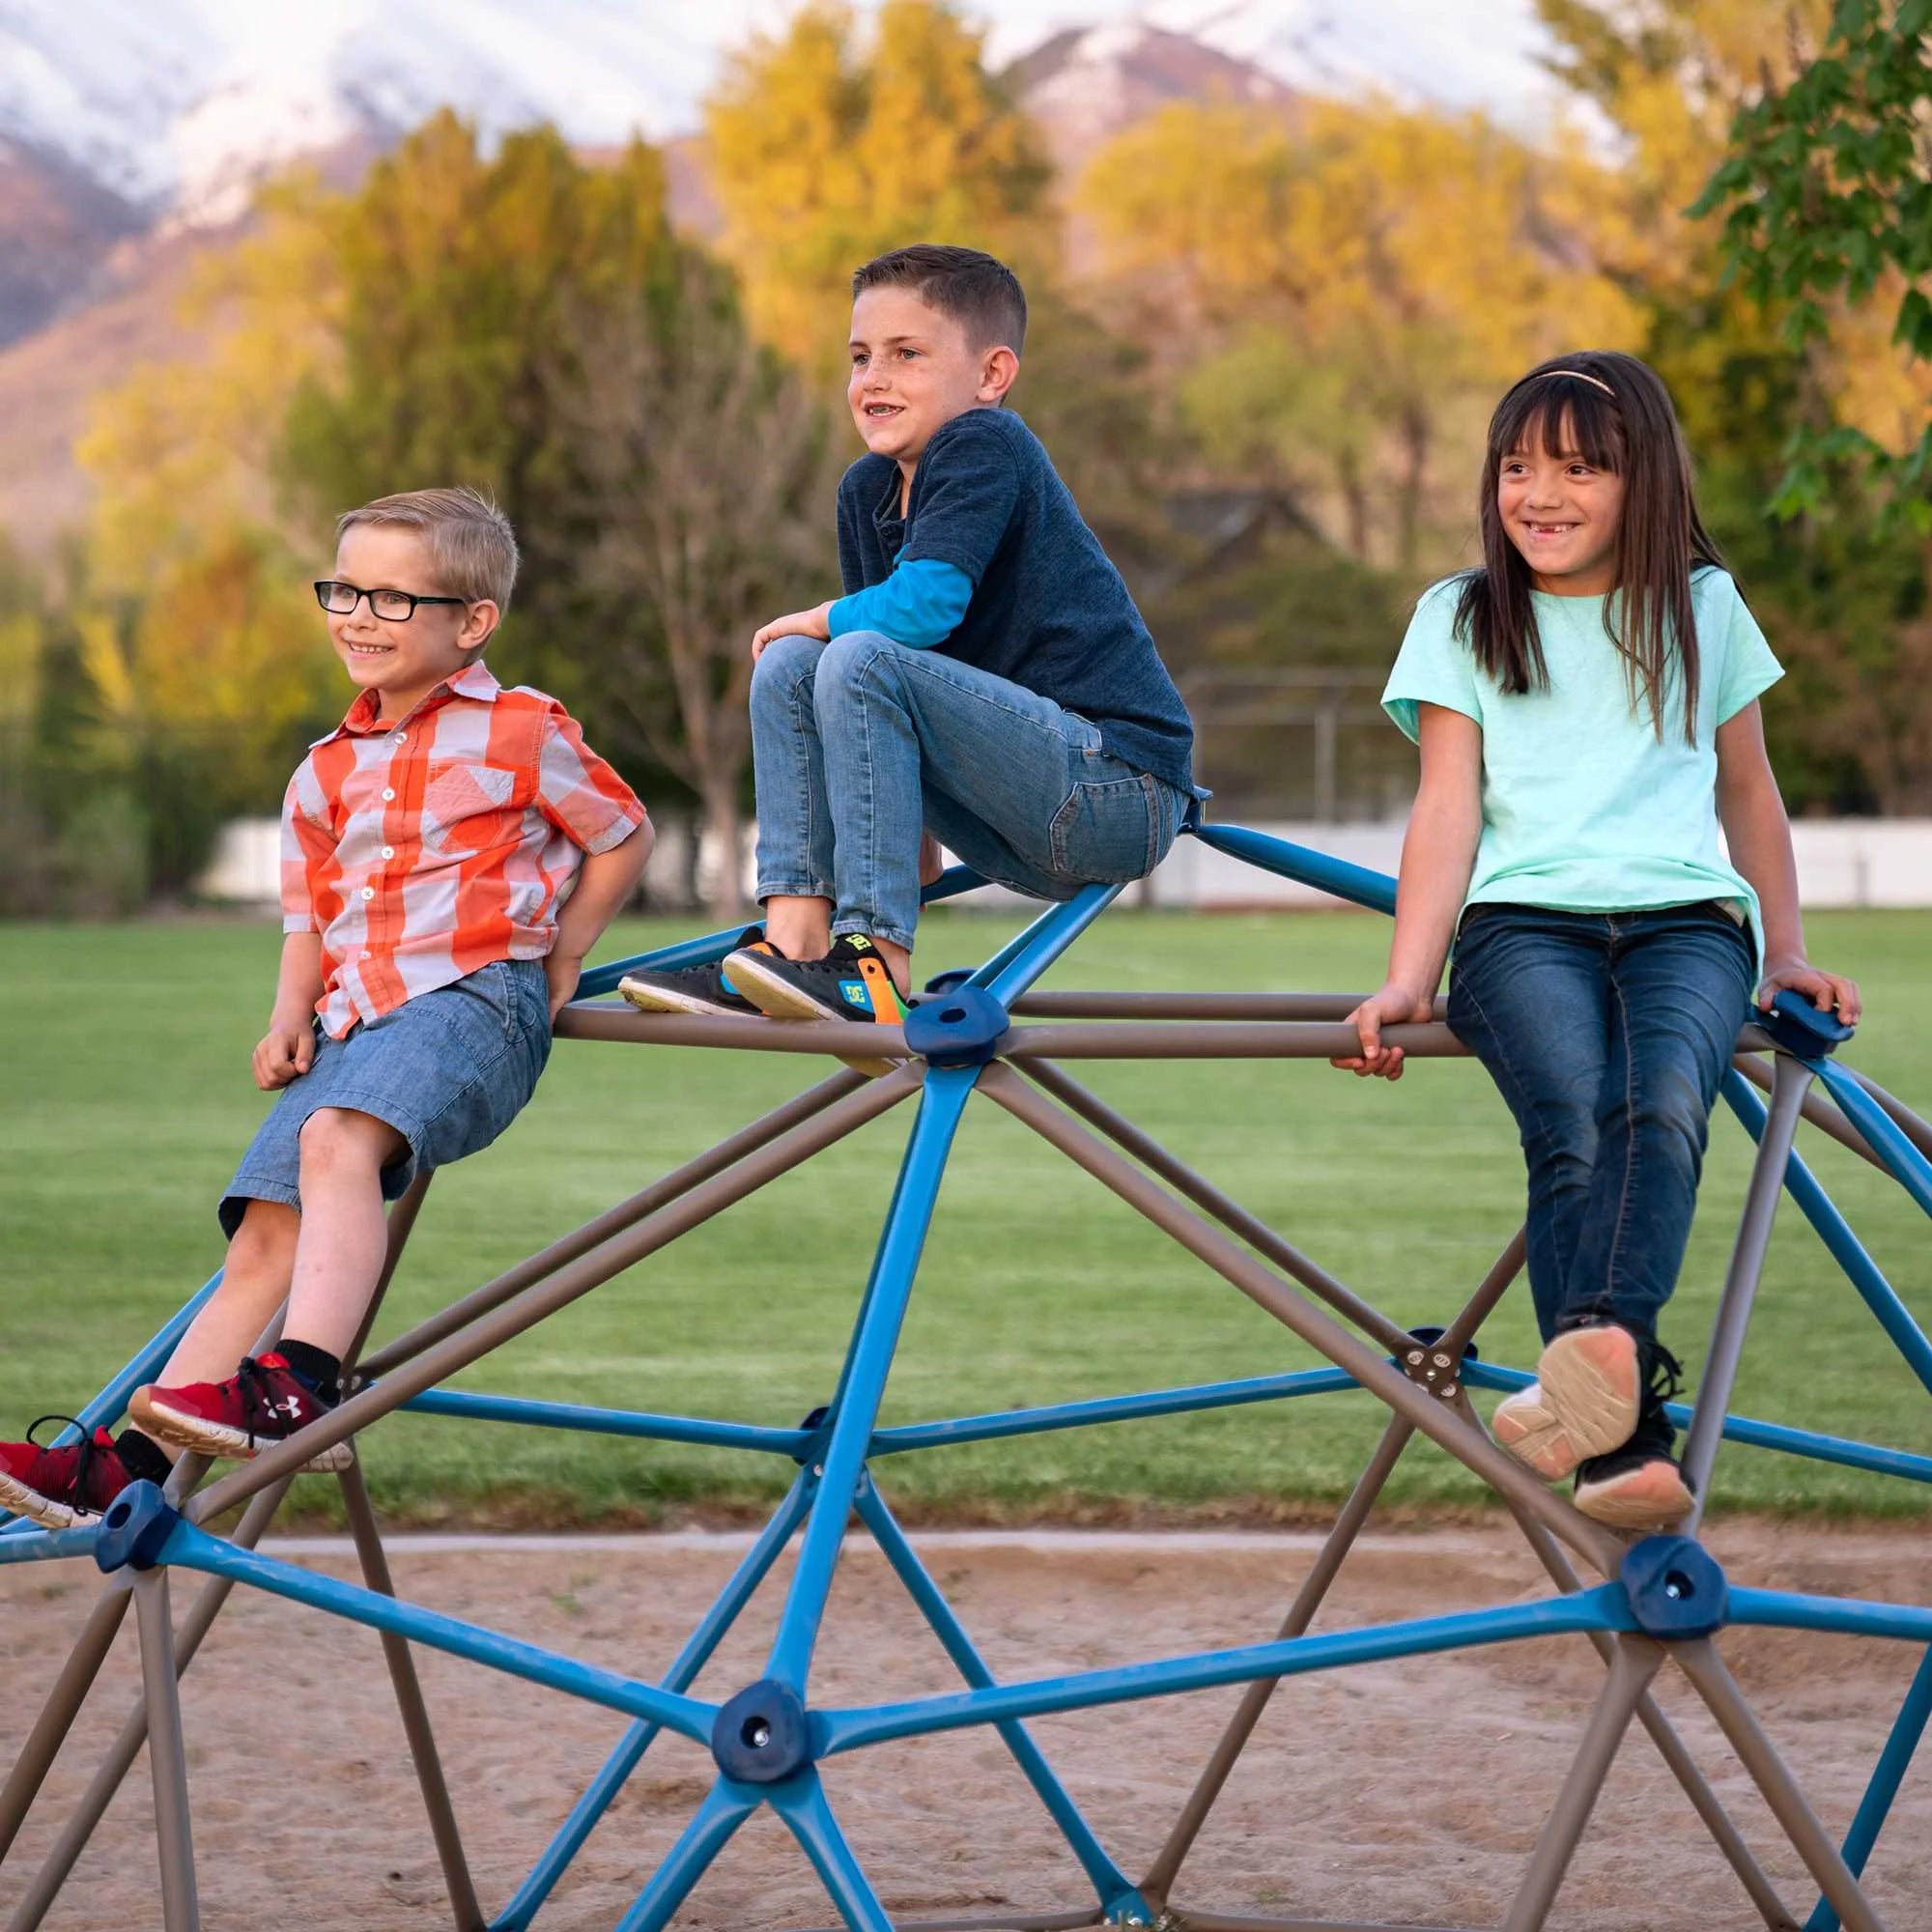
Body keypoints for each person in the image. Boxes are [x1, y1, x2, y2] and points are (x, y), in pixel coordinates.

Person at [0, 488, 650, 1528]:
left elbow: (620, 830)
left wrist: (564, 955)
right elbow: (311, 915)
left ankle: (302, 1381)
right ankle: (120, 1465)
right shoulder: (324, 770)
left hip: (474, 998)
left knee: (339, 1140)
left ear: (471, 621)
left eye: (392, 598)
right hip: (356, 1019)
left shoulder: (522, 729)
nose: (357, 615)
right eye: (345, 589)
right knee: (261, 1238)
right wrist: (287, 1014)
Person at [1333, 351, 1859, 1531]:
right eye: (1516, 467)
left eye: (1576, 467)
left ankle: (1602, 1395)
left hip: (1684, 921)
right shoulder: (1460, 614)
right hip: (1523, 925)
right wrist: (1407, 978)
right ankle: (1627, 1425)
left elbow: (1747, 790)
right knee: (1570, 1113)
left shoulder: (1702, 607)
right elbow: (1446, 809)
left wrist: (1782, 949)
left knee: (1658, 1101)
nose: (1539, 494)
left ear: (1644, 478)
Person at [619, 243, 1196, 1040]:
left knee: (839, 644)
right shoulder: (868, 488)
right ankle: (792, 942)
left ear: (991, 377)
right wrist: (906, 845)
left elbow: (918, 614)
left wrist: (819, 614)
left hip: (1115, 790)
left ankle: (875, 968)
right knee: (794, 664)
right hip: (1007, 812)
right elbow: (891, 676)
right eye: (859, 357)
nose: (874, 379)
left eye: (907, 355)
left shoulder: (985, 443)